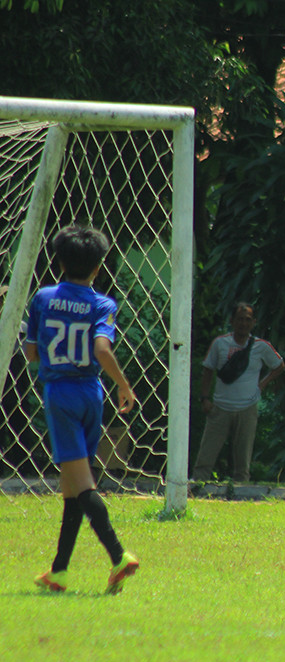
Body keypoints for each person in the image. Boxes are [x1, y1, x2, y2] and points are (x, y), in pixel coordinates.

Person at [25, 225, 139, 594]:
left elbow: (30, 353)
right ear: (98, 267)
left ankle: (119, 555)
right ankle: (58, 571)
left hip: (60, 394)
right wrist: (121, 384)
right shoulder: (103, 304)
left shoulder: (43, 298)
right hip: (92, 392)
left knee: (82, 482)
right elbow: (102, 350)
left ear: (58, 261)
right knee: (72, 487)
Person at [192, 302, 284, 483]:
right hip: (220, 407)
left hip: (247, 408)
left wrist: (262, 384)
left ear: (254, 322)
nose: (243, 323)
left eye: (248, 320)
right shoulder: (220, 343)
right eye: (240, 319)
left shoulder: (261, 346)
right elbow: (208, 370)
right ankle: (197, 484)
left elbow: (279, 365)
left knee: (243, 454)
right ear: (232, 321)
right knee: (207, 451)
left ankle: (240, 489)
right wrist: (204, 398)